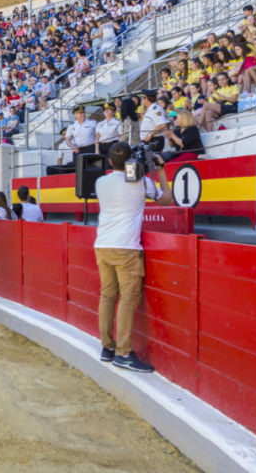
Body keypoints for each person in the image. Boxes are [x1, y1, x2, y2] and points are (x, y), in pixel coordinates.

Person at [94, 143, 173, 372]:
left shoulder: (101, 182)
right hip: (126, 247)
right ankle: (124, 353)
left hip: (103, 245)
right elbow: (167, 199)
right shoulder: (142, 182)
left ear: (110, 161)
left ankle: (107, 348)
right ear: (131, 161)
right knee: (128, 299)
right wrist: (159, 171)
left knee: (108, 296)